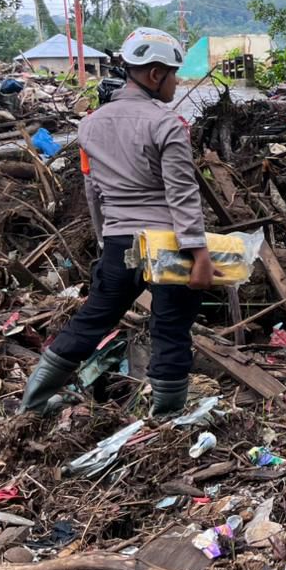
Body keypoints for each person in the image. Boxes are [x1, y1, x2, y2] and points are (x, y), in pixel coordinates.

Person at [19, 27, 217, 417]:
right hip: (167, 244)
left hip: (118, 240)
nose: (176, 82)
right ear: (155, 74)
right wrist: (200, 253)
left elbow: (93, 191)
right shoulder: (167, 124)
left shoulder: (90, 125)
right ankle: (166, 418)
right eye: (174, 74)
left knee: (93, 319)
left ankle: (34, 402)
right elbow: (182, 194)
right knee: (171, 328)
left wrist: (105, 239)